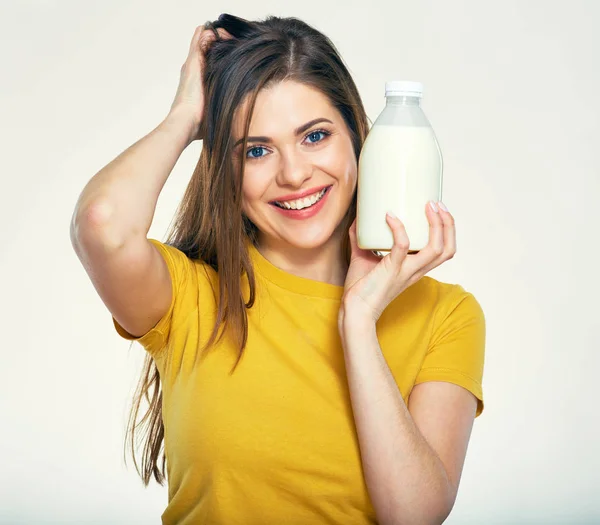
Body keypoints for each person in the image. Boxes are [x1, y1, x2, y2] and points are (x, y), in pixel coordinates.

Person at [70, 13, 486, 525]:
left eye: (315, 137)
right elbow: (101, 223)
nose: (293, 174)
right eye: (258, 151)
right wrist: (186, 117)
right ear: (227, 166)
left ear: (358, 137)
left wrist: (357, 323)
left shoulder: (447, 315)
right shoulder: (189, 297)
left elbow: (414, 515)